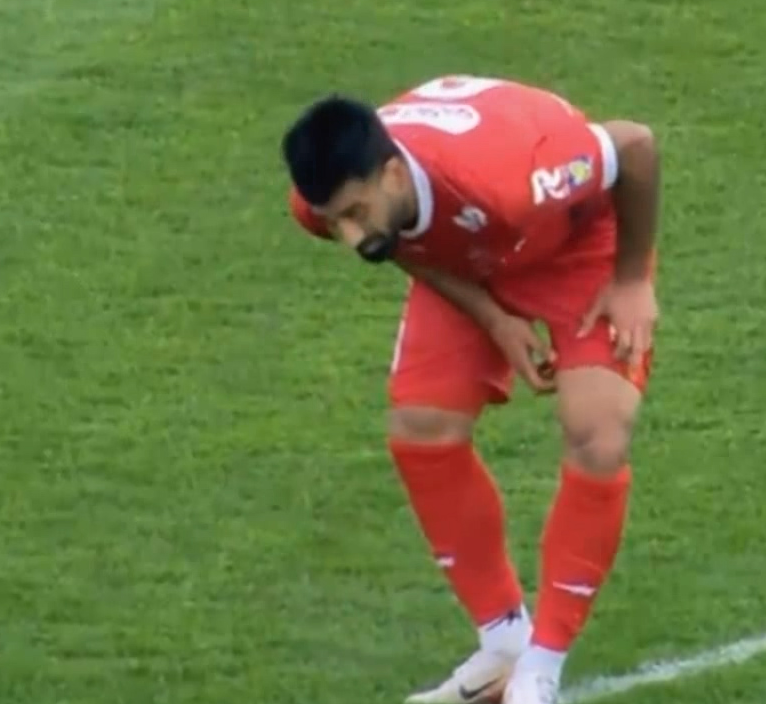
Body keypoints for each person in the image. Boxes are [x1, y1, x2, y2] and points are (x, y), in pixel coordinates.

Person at [280, 74, 661, 704]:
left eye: (354, 214)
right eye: (333, 221)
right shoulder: (325, 202)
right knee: (421, 429)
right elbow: (391, 241)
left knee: (597, 433)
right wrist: (492, 317)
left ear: (393, 174)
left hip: (576, 246)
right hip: (469, 258)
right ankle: (503, 643)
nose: (348, 236)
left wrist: (631, 282)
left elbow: (636, 146)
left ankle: (540, 669)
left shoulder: (514, 178)